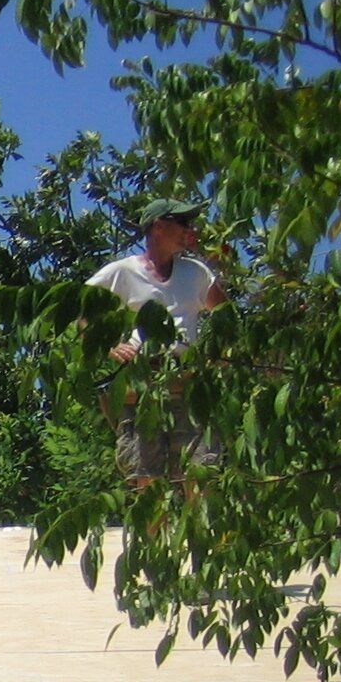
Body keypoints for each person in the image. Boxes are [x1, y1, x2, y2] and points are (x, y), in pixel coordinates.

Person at [86, 198, 228, 489]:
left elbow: (226, 315)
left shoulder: (196, 272)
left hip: (189, 383)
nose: (189, 229)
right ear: (159, 227)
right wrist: (110, 346)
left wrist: (219, 355)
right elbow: (82, 309)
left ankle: (197, 523)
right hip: (143, 386)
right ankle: (151, 523)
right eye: (183, 222)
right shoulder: (122, 272)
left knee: (200, 474)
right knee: (147, 480)